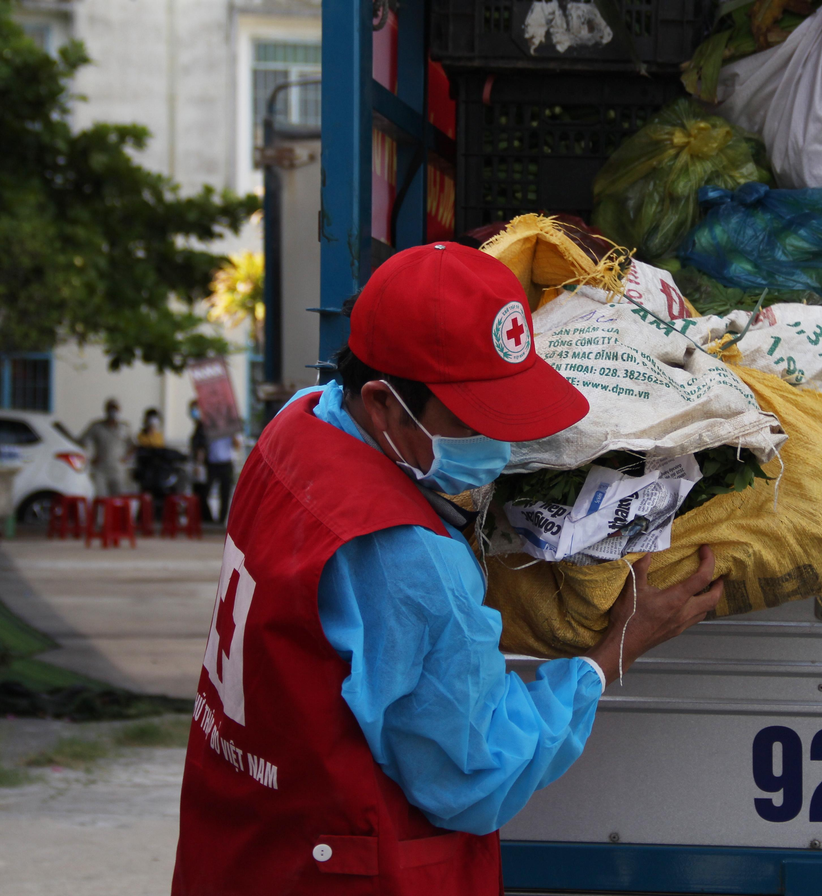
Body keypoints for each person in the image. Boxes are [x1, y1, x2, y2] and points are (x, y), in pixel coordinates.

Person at [173, 243, 724, 895]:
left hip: (244, 845)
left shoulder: (294, 426)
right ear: (382, 402)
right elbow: (476, 773)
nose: (500, 444)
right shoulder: (406, 556)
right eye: (474, 421)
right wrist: (614, 652)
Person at [79, 398, 130, 497]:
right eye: (110, 409)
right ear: (106, 410)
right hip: (100, 469)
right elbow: (82, 441)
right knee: (101, 497)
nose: (113, 412)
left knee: (119, 498)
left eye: (115, 409)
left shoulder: (124, 428)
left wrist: (126, 458)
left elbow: (133, 444)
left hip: (117, 470)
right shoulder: (97, 427)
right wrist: (90, 458)